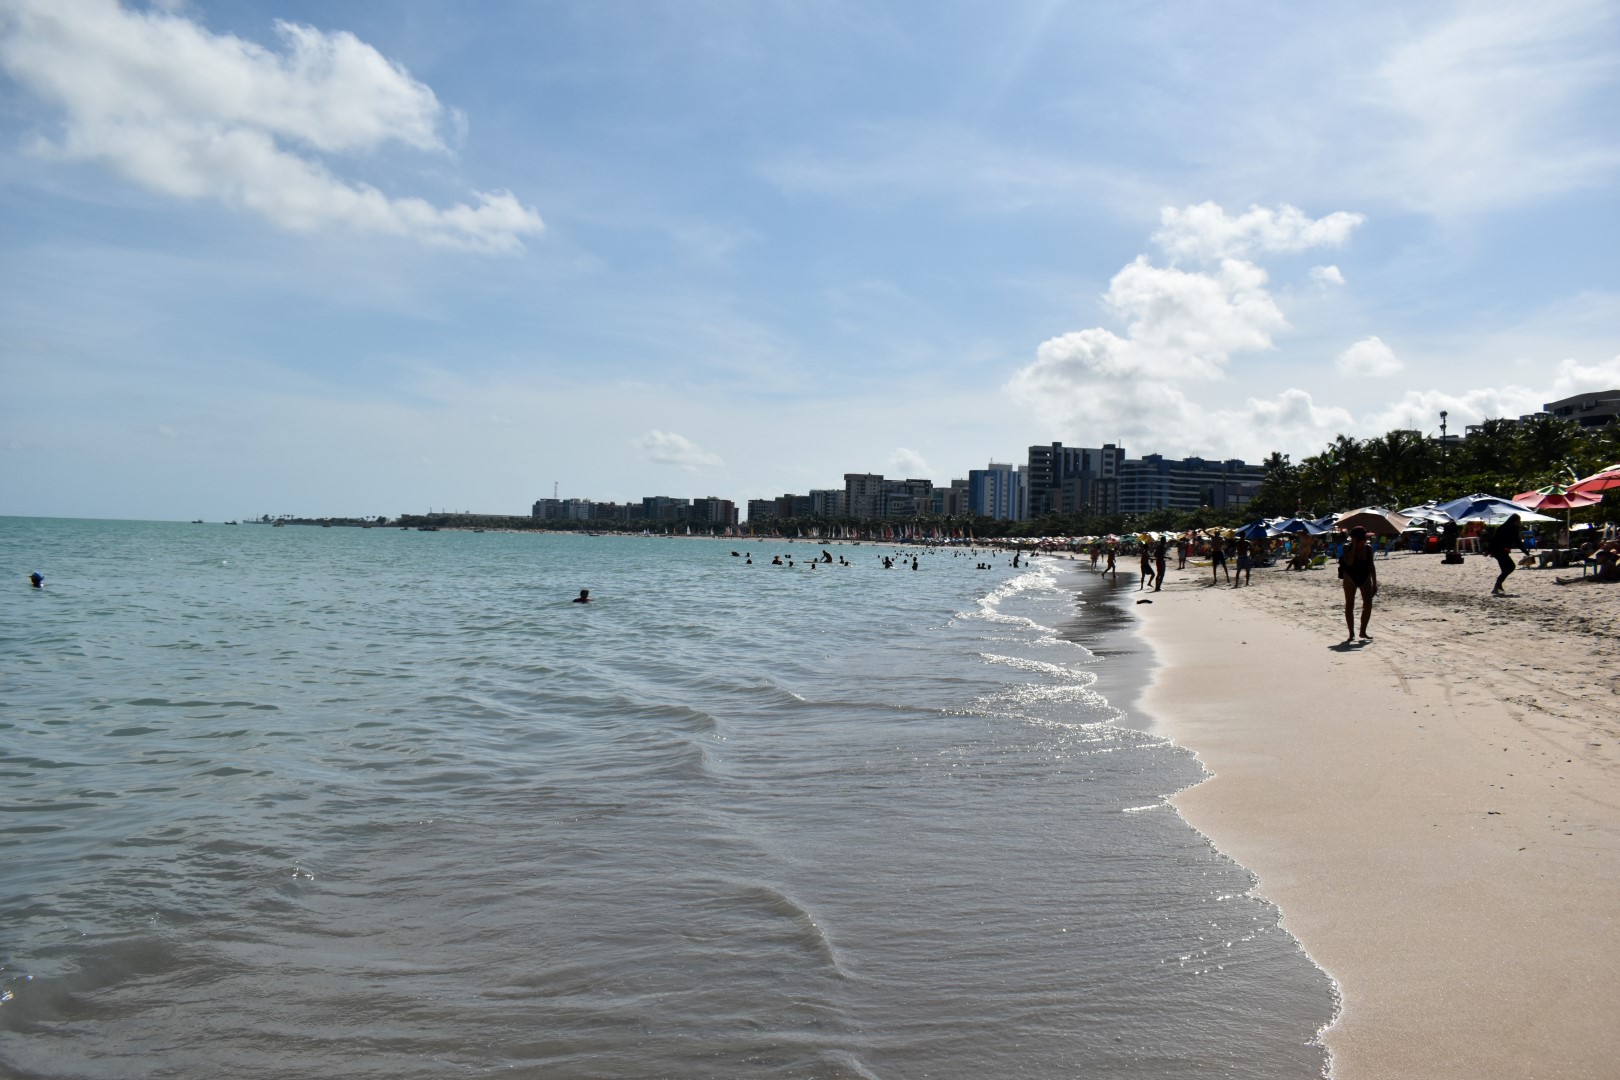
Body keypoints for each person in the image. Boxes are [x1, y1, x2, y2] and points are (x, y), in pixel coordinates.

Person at [1338, 525, 1376, 641]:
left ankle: (1363, 631)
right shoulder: (1346, 547)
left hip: (1364, 576)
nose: (1364, 542)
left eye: (1365, 540)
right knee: (1350, 604)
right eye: (1361, 540)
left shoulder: (1368, 548)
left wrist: (1375, 583)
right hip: (1350, 576)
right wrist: (1353, 546)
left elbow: (1371, 566)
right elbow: (1349, 562)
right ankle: (1351, 633)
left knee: (1368, 604)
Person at [1487, 514, 1527, 596]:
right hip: (1498, 550)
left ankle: (1498, 585)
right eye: (1518, 521)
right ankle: (1496, 586)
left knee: (1505, 569)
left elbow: (1518, 542)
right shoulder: (1503, 528)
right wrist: (1489, 550)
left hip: (1501, 551)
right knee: (1511, 566)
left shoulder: (1513, 529)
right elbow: (1495, 540)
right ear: (1514, 521)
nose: (1519, 522)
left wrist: (1525, 552)